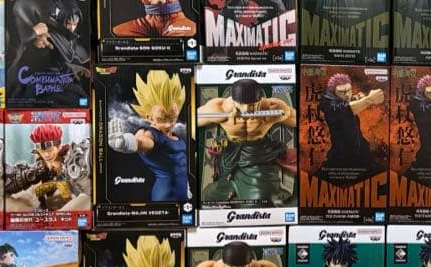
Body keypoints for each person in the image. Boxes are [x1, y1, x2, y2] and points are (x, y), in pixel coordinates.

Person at [197, 79, 296, 205]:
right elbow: (192, 119)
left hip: (257, 154)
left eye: (251, 105)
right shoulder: (220, 109)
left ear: (259, 100)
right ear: (234, 101)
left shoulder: (272, 108)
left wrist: (285, 114)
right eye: (241, 105)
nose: (246, 110)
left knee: (261, 200)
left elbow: (300, 121)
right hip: (230, 153)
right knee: (209, 197)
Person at [108, 70, 190, 201]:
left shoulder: (176, 135)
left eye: (172, 118)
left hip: (183, 195)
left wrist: (187, 186)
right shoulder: (150, 134)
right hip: (166, 196)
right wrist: (125, 143)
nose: (168, 124)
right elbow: (142, 141)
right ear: (149, 117)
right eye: (162, 119)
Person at [316, 73, 385, 186]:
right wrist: (368, 100)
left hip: (361, 154)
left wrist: (356, 98)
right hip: (339, 159)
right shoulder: (326, 103)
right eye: (342, 92)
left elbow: (346, 103)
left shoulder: (344, 99)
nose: (347, 94)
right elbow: (342, 110)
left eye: (349, 90)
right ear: (333, 92)